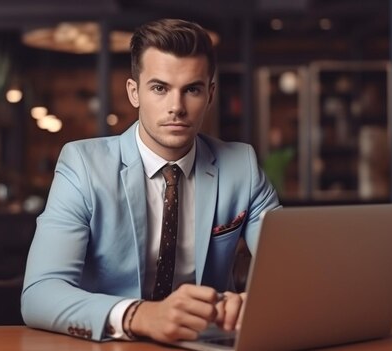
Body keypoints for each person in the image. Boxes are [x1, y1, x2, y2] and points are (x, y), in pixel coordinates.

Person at [21, 18, 280, 343]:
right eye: (160, 88)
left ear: (210, 94)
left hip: (206, 343)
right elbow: (40, 294)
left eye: (192, 90)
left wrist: (249, 304)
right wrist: (140, 316)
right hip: (113, 343)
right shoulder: (83, 165)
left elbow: (291, 274)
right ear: (134, 93)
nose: (177, 107)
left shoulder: (242, 166)